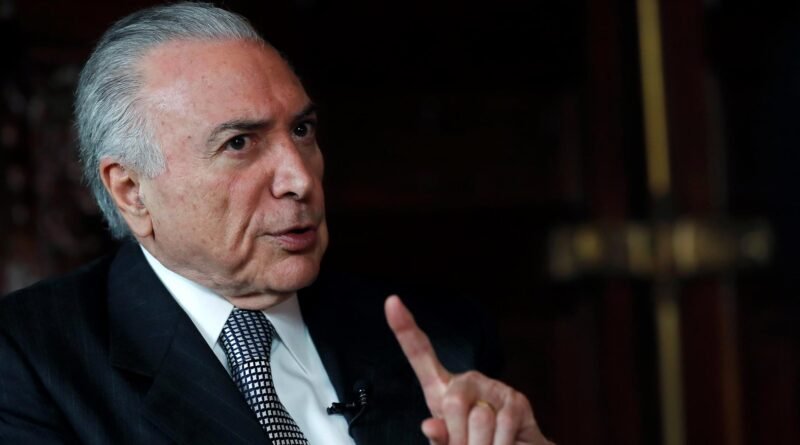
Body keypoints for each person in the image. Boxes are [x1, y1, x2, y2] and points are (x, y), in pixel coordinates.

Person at [0, 3, 552, 445]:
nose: (299, 179)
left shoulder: (441, 335)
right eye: (239, 143)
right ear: (131, 191)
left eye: (303, 131)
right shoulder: (29, 361)